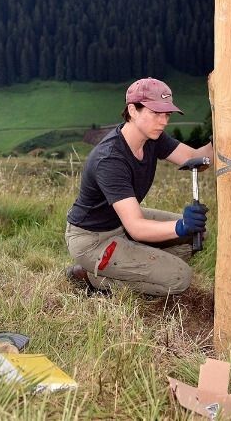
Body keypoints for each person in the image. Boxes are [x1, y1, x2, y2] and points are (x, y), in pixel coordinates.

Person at [65, 77, 213, 297]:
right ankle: (94, 277)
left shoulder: (153, 137)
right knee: (179, 278)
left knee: (199, 233)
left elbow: (194, 158)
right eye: (156, 113)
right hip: (93, 240)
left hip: (120, 222)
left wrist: (221, 136)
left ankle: (133, 261)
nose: (163, 121)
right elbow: (136, 226)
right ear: (132, 110)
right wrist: (180, 226)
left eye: (167, 114)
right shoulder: (110, 159)